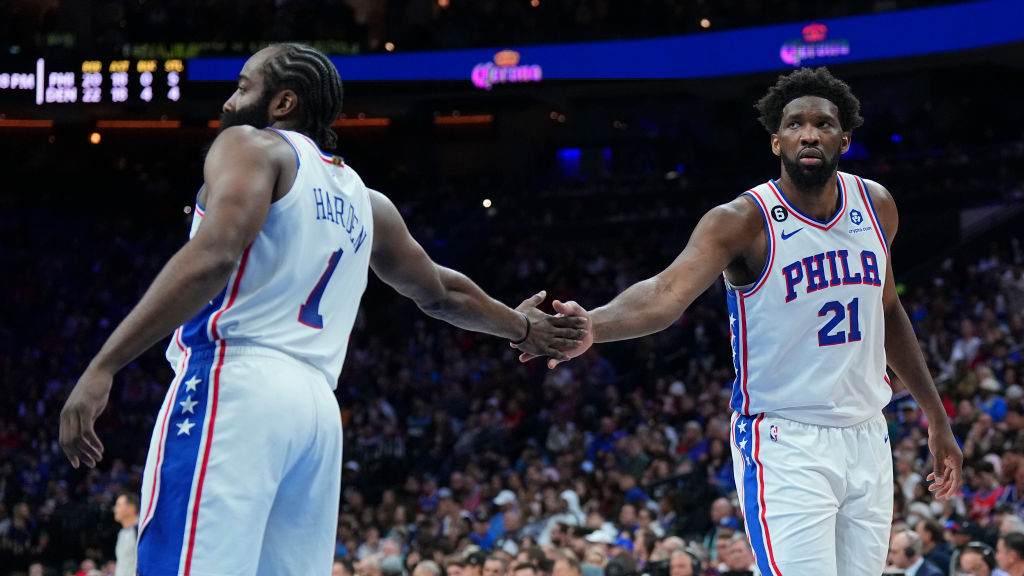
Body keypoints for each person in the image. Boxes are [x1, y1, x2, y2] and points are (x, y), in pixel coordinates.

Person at [58, 43, 586, 576]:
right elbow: (441, 292)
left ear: (283, 102)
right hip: (316, 411)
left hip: (235, 384)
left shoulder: (252, 146)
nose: (226, 101)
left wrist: (105, 364)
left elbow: (215, 254)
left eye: (243, 86)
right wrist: (521, 327)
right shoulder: (366, 200)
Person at [524, 67, 963, 575]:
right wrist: (594, 325)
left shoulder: (877, 205)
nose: (810, 133)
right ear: (776, 142)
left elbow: (886, 310)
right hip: (784, 438)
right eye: (795, 124)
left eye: (823, 123)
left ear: (844, 138)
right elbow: (666, 292)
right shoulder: (743, 220)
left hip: (867, 433)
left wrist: (936, 417)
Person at [112, 492, 139, 576]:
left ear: (131, 508)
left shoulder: (140, 531)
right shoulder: (122, 533)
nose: (114, 509)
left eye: (118, 505)